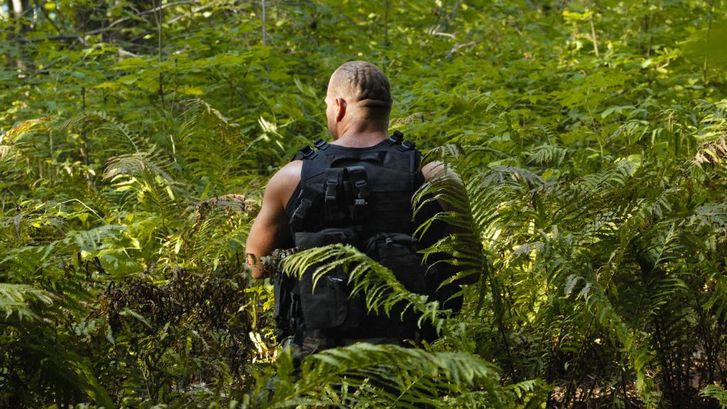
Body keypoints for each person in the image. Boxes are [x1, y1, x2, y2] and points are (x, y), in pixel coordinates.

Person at [244, 61, 460, 358]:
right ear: (386, 109)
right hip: (413, 357)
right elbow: (467, 270)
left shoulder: (291, 177)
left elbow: (255, 266)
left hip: (317, 359)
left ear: (339, 107)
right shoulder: (435, 175)